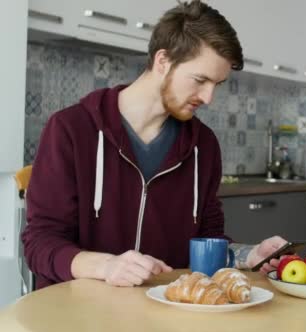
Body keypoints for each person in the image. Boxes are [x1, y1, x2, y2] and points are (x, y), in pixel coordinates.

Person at [22, 0, 287, 290]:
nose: (208, 97)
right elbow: (40, 243)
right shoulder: (71, 129)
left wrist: (249, 256)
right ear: (163, 61)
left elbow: (208, 241)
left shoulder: (204, 145)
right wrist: (107, 266)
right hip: (79, 311)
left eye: (217, 84)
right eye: (200, 80)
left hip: (162, 313)